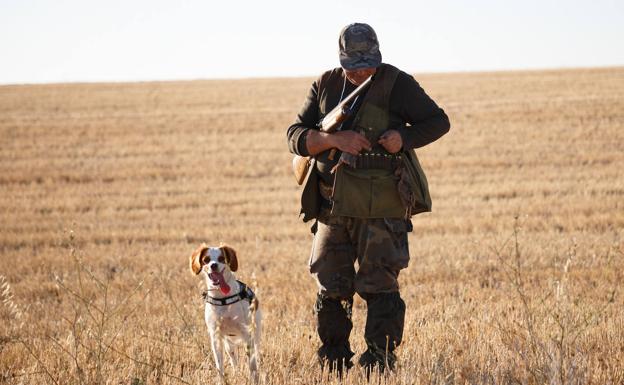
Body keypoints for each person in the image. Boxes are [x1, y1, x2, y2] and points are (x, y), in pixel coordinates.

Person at [286, 23, 450, 375]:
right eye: (353, 64)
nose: (362, 70)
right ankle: (334, 364)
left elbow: (438, 121)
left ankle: (379, 366)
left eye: (368, 63)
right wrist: (334, 140)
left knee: (381, 290)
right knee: (331, 291)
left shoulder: (397, 83)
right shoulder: (326, 84)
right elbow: (295, 137)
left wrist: (403, 138)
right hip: (333, 209)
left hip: (383, 212)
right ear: (341, 60)